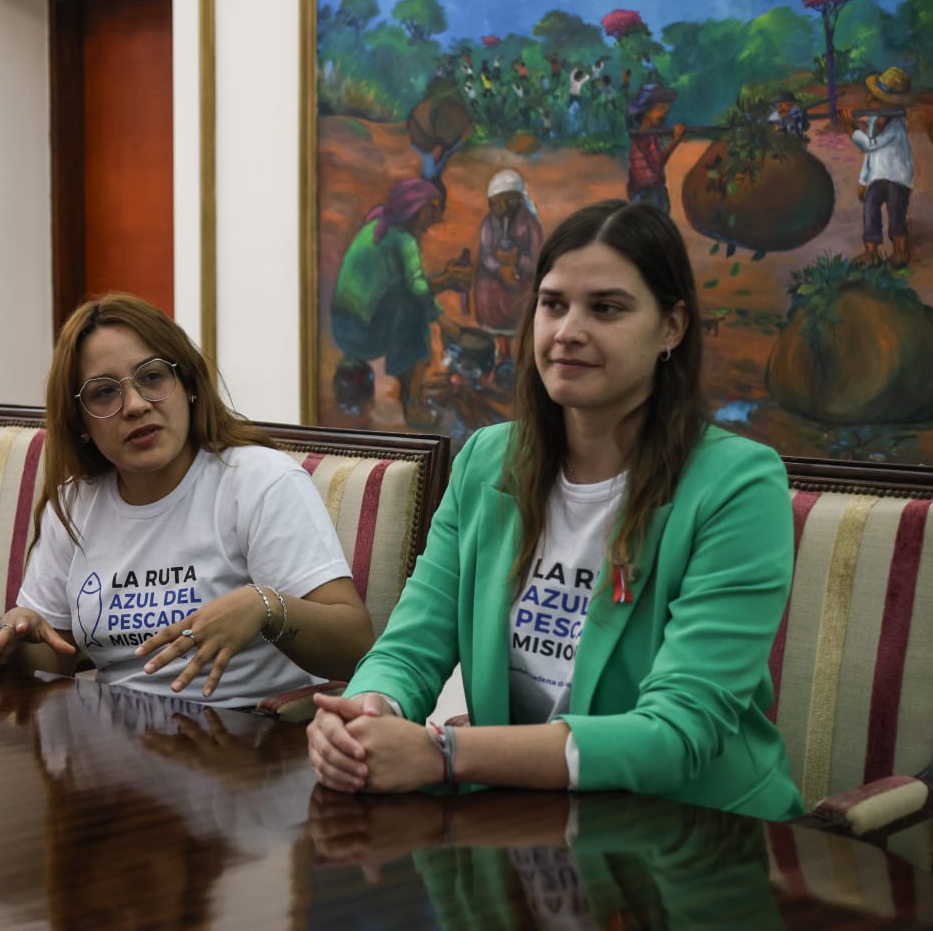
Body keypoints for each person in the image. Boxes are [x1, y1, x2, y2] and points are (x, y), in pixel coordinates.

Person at [307, 200, 803, 821]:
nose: (568, 330)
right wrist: (365, 714)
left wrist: (445, 754)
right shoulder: (486, 461)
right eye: (553, 304)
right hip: (524, 825)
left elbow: (677, 733)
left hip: (695, 835)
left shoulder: (737, 485)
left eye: (606, 308)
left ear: (672, 327)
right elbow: (410, 647)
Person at [0, 292, 372, 707]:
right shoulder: (76, 502)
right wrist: (21, 635)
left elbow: (355, 648)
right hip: (111, 735)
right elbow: (55, 657)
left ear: (189, 385)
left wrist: (266, 608)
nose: (135, 405)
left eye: (152, 377)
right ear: (81, 424)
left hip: (249, 731)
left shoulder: (258, 480)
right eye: (104, 392)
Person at [329, 178, 467, 425]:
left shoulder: (376, 226)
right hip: (364, 335)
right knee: (414, 315)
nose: (435, 218)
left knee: (406, 301)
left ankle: (354, 391)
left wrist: (442, 290)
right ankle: (411, 400)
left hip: (342, 329)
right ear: (414, 209)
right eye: (431, 210)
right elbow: (417, 290)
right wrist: (446, 291)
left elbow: (407, 287)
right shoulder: (402, 239)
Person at [840, 66, 916, 265]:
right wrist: (863, 180)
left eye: (875, 98)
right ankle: (870, 251)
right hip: (877, 176)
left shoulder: (897, 125)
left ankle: (900, 250)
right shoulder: (874, 120)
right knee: (870, 208)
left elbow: (870, 145)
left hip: (897, 178)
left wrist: (851, 129)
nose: (868, 100)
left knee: (896, 212)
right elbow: (870, 156)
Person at [473, 169, 543, 364]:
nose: (503, 208)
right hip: (496, 276)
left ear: (519, 200)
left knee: (522, 305)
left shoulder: (530, 224)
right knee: (487, 285)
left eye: (509, 201)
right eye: (497, 203)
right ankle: (501, 348)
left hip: (521, 278)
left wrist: (517, 262)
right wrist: (500, 269)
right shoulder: (489, 223)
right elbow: (486, 254)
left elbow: (537, 257)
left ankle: (519, 352)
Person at [625, 83, 687, 212]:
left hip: (646, 192)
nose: (665, 112)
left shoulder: (648, 134)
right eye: (660, 108)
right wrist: (675, 141)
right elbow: (658, 163)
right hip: (649, 193)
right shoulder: (646, 135)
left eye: (666, 109)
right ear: (647, 111)